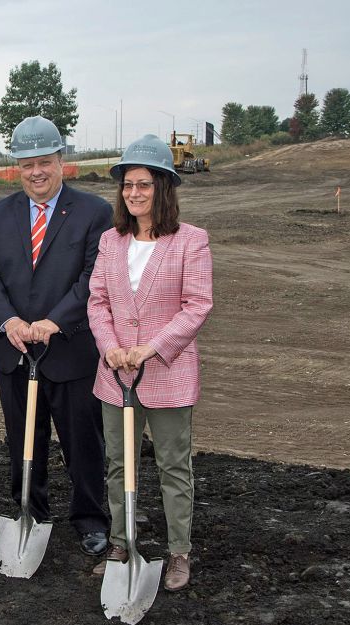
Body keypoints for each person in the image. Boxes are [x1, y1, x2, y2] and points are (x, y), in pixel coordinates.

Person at [0, 116, 112, 556]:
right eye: (27, 163)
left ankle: (91, 518)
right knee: (22, 441)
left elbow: (94, 276)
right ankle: (30, 511)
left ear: (62, 162)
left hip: (70, 349)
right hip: (14, 350)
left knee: (82, 441)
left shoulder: (94, 212)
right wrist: (9, 321)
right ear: (18, 165)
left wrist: (56, 321)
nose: (37, 171)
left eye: (46, 162)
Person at [87, 134, 213, 591]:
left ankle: (179, 551)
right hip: (115, 374)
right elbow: (97, 301)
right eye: (127, 185)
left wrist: (150, 348)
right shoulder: (110, 241)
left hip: (167, 373)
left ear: (164, 187)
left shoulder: (190, 242)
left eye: (144, 184)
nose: (134, 193)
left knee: (173, 466)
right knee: (119, 464)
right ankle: (122, 542)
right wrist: (110, 347)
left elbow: (197, 306)